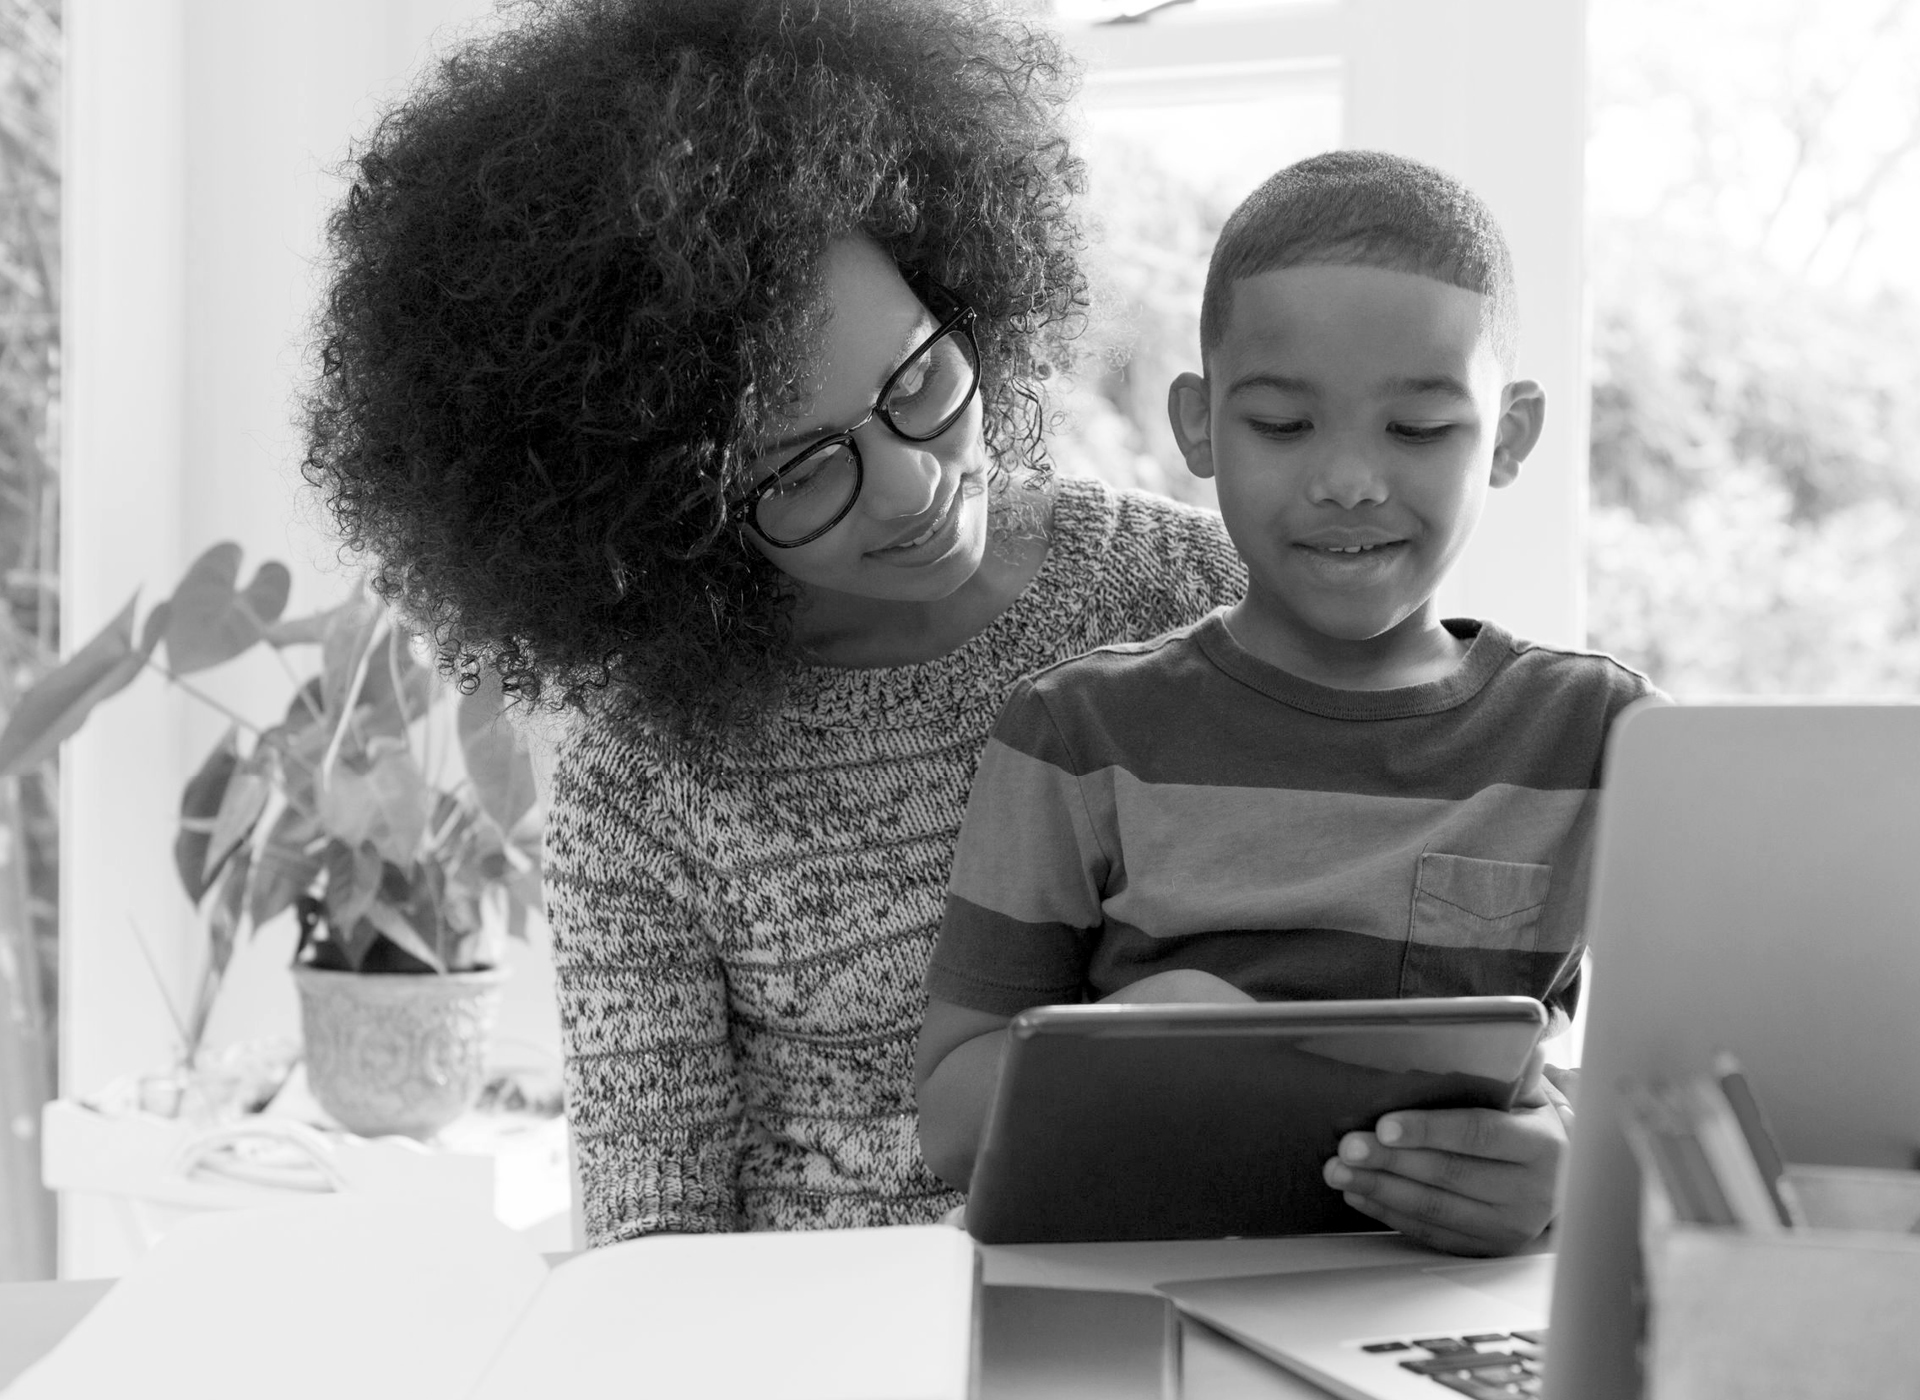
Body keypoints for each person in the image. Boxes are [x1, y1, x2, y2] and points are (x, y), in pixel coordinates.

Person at [299, 0, 1245, 1244]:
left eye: (917, 381)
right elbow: (655, 1257)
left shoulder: (1196, 598)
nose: (912, 484)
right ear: (661, 504)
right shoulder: (645, 782)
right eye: (800, 469)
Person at [915, 151, 1661, 1257]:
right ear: (1201, 424)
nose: (1350, 479)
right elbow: (949, 1121)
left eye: (1417, 430)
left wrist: (1570, 1165)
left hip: (1448, 1323)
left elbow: (1718, 1102)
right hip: (1136, 1299)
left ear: (1506, 438)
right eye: (1283, 425)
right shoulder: (1077, 732)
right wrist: (1117, 1043)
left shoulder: (1599, 735)